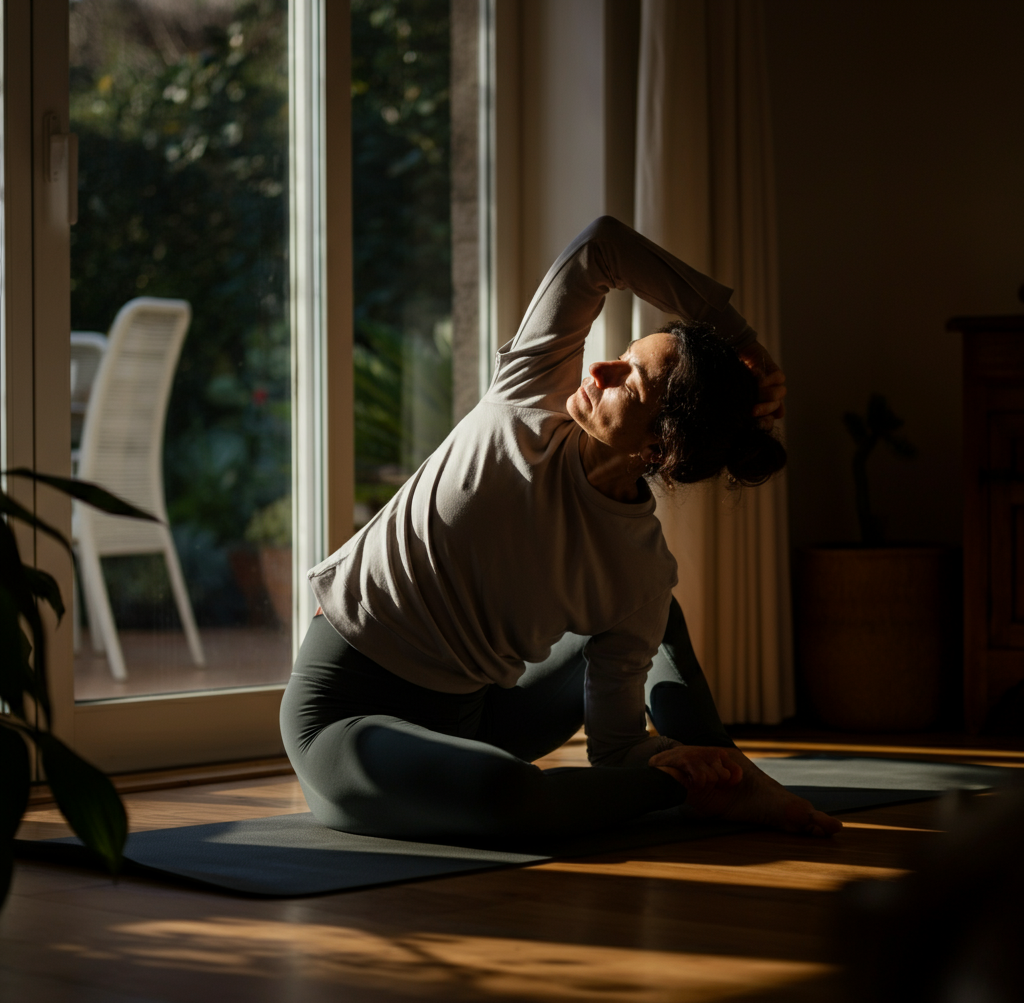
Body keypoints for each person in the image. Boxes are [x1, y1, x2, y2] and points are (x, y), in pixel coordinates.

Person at [280, 215, 842, 842]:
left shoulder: (638, 568)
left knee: (659, 612)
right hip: (346, 714)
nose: (600, 370)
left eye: (631, 379)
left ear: (661, 448)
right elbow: (601, 245)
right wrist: (742, 340)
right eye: (621, 356)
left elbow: (614, 746)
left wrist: (642, 753)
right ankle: (695, 787)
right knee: (507, 792)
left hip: (483, 716)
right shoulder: (529, 395)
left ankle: (728, 770)